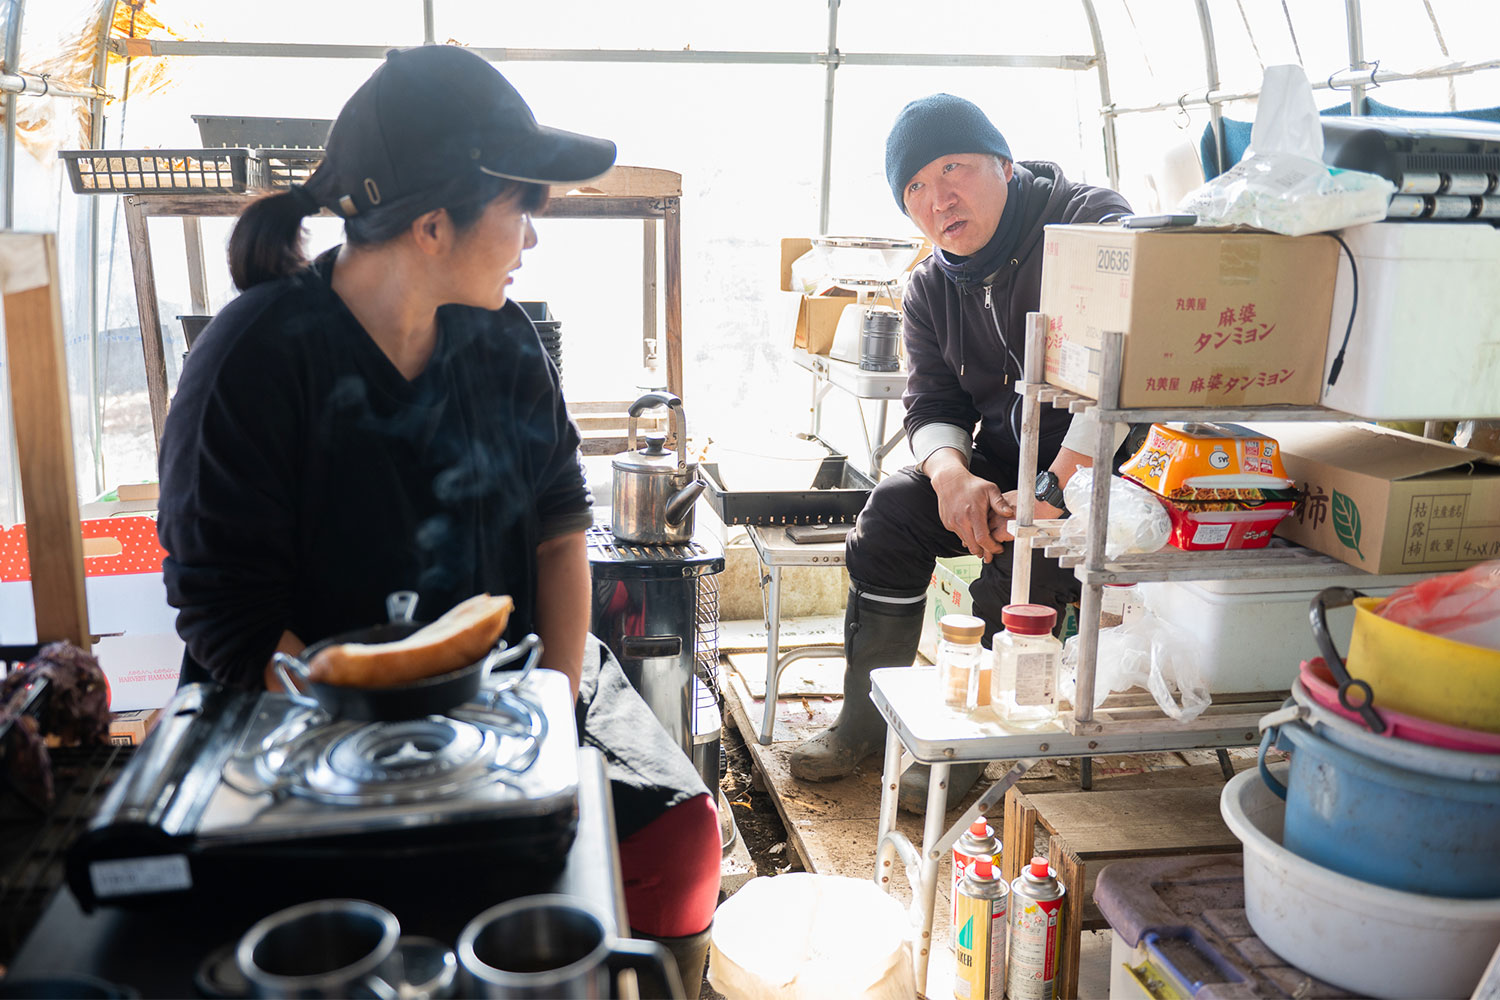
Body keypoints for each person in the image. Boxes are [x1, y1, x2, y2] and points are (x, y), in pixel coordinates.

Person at [156, 45, 718, 996]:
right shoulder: (252, 362)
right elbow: (228, 619)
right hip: (302, 713)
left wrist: (547, 710)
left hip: (511, 686)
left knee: (681, 838)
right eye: (521, 207)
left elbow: (559, 531)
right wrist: (384, 756)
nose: (532, 238)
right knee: (396, 886)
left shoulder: (500, 341)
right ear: (430, 223)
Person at [789, 94, 1132, 810]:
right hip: (1009, 463)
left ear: (1004, 163)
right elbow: (933, 405)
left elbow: (1123, 377)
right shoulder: (927, 287)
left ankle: (973, 736)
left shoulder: (1091, 224)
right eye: (914, 186)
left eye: (955, 168)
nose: (938, 197)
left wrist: (1056, 485)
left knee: (1023, 562)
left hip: (1109, 473)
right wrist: (951, 479)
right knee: (892, 512)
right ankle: (864, 721)